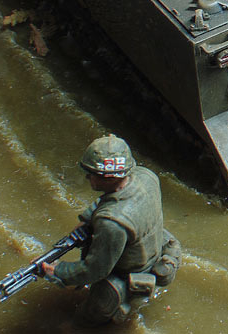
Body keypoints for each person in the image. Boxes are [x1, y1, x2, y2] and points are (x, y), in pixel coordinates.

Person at [42, 135, 181, 326]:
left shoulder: (112, 223)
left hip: (130, 276)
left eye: (91, 173)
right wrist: (89, 219)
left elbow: (95, 270)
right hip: (154, 251)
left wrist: (59, 271)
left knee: (84, 320)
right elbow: (110, 201)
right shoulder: (146, 176)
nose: (87, 177)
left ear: (108, 177)